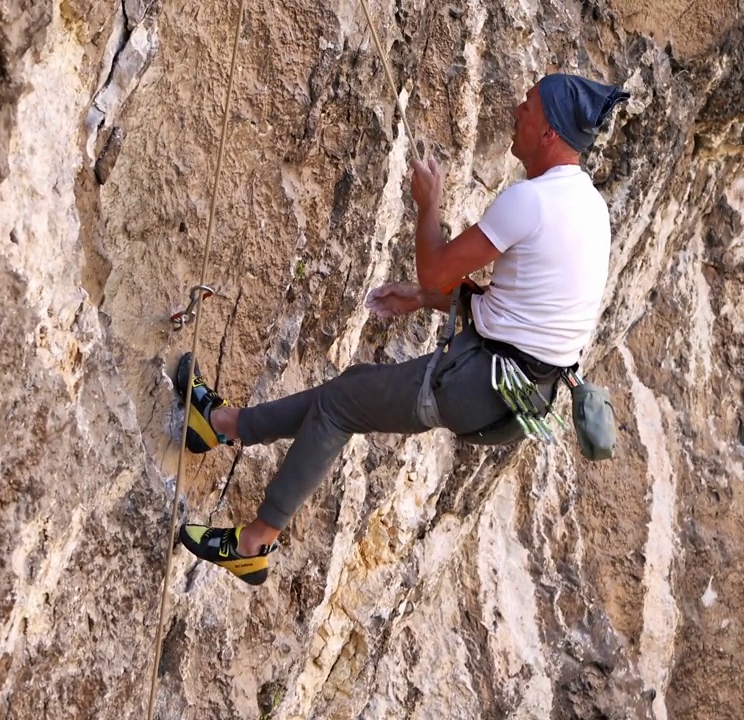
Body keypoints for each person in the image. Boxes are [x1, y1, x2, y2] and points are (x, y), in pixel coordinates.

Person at [175, 73, 630, 586]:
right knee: (350, 391)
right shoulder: (589, 207)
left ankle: (254, 543)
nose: (515, 112)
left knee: (340, 406)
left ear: (549, 132)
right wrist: (424, 299)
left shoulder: (532, 201)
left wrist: (428, 205)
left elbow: (438, 268)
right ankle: (220, 425)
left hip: (480, 384)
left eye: (527, 106)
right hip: (522, 394)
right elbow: (522, 309)